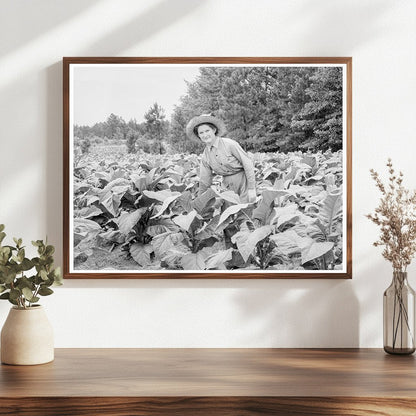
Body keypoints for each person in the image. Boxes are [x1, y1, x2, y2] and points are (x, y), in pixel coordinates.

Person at [186, 114, 256, 203]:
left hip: (243, 182)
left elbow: (247, 164)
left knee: (245, 211)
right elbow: (205, 180)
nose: (205, 135)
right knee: (228, 213)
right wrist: (200, 200)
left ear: (214, 130)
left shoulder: (229, 144)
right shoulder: (205, 155)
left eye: (207, 131)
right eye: (201, 133)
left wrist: (251, 188)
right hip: (226, 186)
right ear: (199, 136)